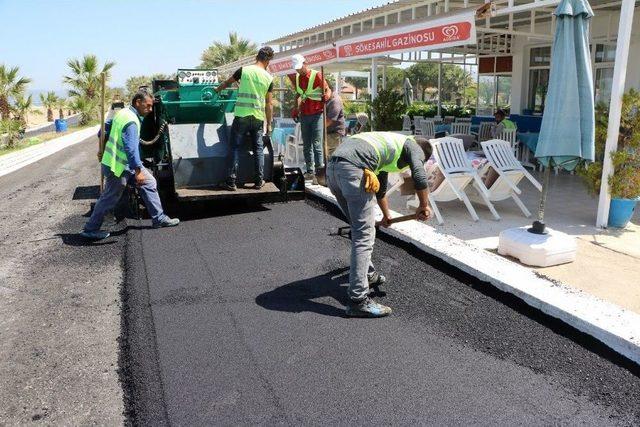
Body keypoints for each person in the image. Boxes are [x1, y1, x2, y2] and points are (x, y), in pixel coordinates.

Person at [326, 132, 432, 318]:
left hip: (334, 170)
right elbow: (420, 176)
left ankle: (367, 273)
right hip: (353, 169)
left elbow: (381, 189)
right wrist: (424, 206)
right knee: (364, 235)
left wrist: (386, 216)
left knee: (358, 228)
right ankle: (358, 300)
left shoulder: (386, 146)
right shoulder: (415, 145)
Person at [81, 91, 179, 240]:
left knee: (149, 182)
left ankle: (159, 218)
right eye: (148, 106)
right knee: (109, 198)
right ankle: (90, 229)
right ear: (138, 102)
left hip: (121, 164)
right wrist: (138, 170)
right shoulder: (131, 121)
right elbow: (131, 149)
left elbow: (103, 128)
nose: (150, 110)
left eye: (152, 107)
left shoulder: (123, 113)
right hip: (117, 167)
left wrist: (101, 145)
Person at [216, 46, 275, 191]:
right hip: (257, 118)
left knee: (234, 147)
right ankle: (258, 181)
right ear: (268, 61)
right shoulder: (269, 78)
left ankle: (231, 182)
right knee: (258, 149)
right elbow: (269, 104)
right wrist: (269, 124)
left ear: (257, 57)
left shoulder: (244, 70)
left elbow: (227, 83)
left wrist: (216, 90)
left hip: (242, 115)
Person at [288, 54, 330, 183]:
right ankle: (309, 172)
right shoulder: (296, 78)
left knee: (317, 144)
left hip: (317, 114)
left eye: (300, 68)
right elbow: (298, 95)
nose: (298, 70)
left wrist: (326, 97)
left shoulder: (316, 75)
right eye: (296, 69)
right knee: (306, 145)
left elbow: (328, 90)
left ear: (305, 63)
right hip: (305, 115)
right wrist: (295, 109)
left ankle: (320, 172)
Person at [324, 85, 345, 157]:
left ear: (329, 89)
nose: (323, 94)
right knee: (327, 157)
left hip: (334, 134)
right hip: (329, 133)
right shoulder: (327, 99)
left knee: (332, 157)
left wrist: (316, 128)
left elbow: (329, 121)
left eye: (325, 91)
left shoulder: (335, 101)